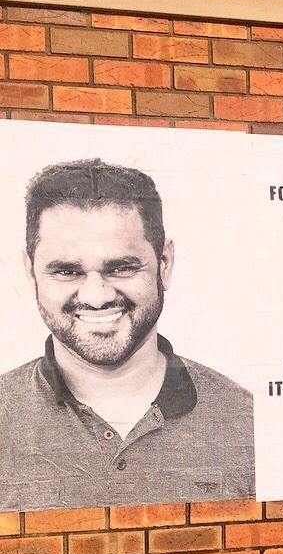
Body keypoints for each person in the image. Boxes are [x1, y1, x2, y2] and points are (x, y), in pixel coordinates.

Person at [0, 158, 255, 510]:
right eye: (67, 271)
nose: (97, 295)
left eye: (121, 267)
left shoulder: (247, 421)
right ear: (30, 272)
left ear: (164, 264)